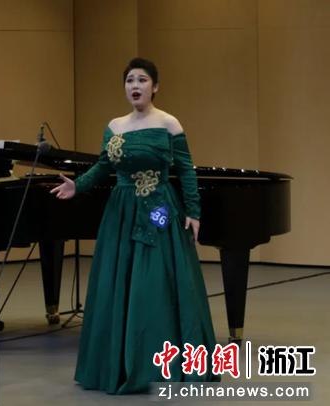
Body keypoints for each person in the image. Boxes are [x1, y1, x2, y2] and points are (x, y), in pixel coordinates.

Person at [51, 58, 219, 393]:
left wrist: (193, 211)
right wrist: (78, 186)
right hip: (122, 213)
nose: (135, 86)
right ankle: (118, 364)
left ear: (155, 87)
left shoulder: (168, 123)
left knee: (155, 280)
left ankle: (159, 363)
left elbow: (186, 169)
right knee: (121, 279)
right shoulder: (114, 126)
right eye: (130, 80)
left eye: (142, 80)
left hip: (158, 209)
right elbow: (103, 166)